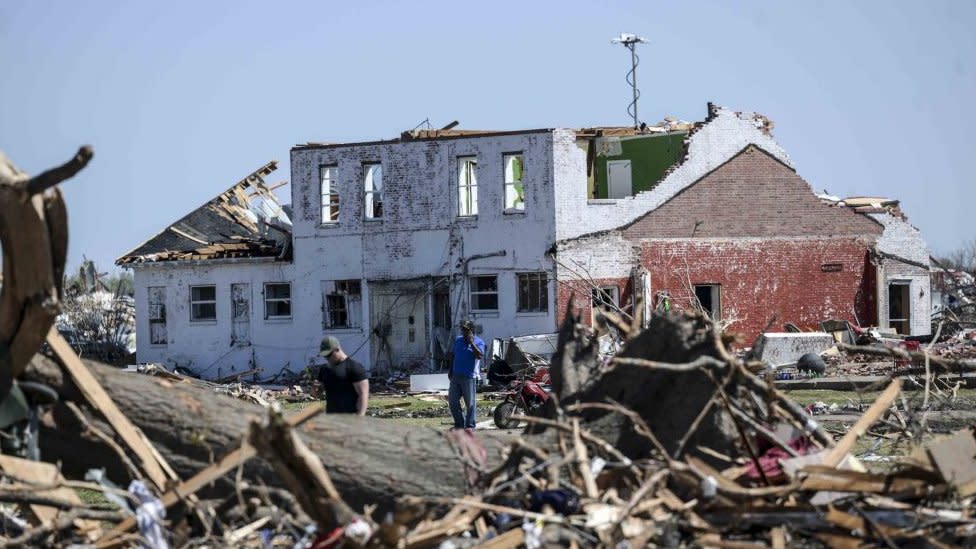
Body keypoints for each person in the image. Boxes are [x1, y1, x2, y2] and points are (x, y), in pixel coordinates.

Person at [316, 336, 369, 415]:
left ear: (337, 349)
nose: (327, 358)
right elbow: (317, 393)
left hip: (350, 419)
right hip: (331, 419)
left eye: (329, 355)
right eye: (325, 356)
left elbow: (363, 395)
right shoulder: (324, 369)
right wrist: (315, 389)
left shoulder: (354, 367)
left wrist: (360, 418)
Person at [448, 320, 485, 430]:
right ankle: (459, 424)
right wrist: (450, 370)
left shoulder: (479, 342)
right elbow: (453, 355)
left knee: (470, 404)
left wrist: (471, 343)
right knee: (453, 401)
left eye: (466, 330)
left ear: (471, 330)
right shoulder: (458, 340)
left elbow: (479, 355)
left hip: (469, 377)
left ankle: (470, 425)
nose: (463, 332)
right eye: (462, 329)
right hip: (456, 376)